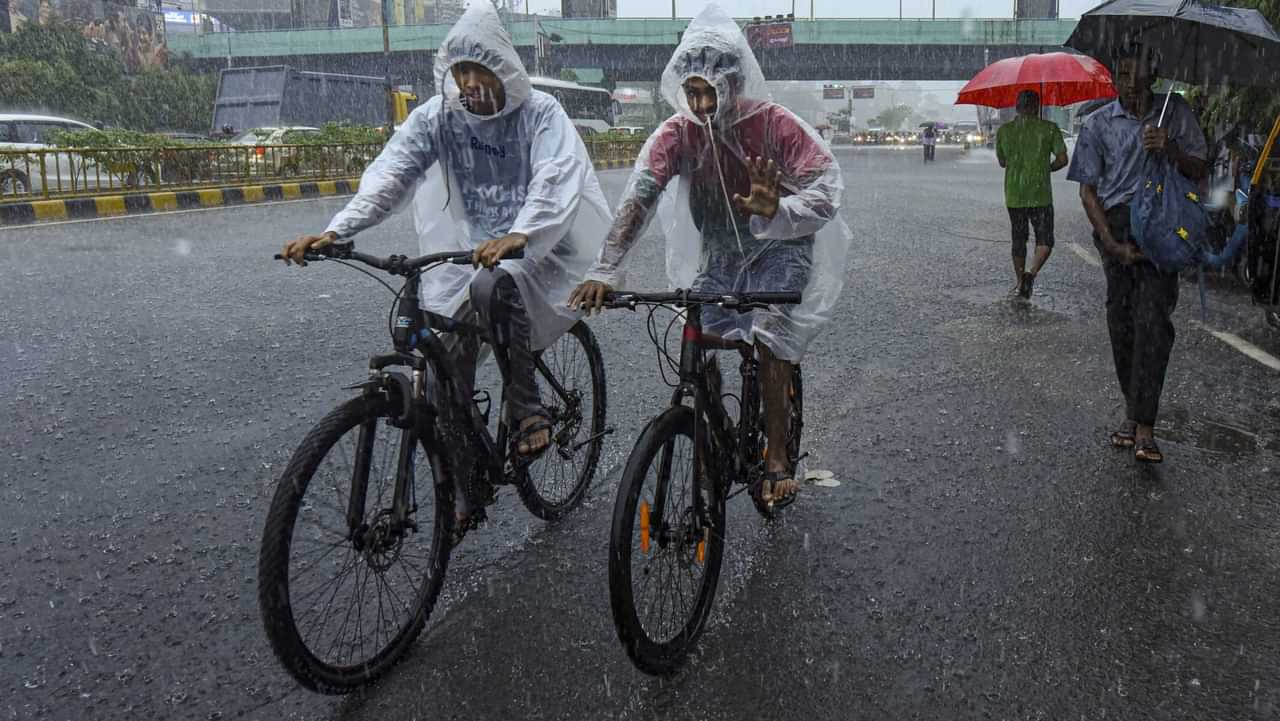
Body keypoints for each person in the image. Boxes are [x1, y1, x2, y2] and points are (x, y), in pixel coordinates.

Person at [280, 0, 611, 527]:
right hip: (480, 250)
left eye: (481, 70)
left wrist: (521, 233)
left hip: (547, 245)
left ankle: (526, 410)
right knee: (438, 369)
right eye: (462, 73)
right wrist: (336, 231)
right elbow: (392, 172)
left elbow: (555, 178)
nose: (471, 83)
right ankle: (463, 489)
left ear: (504, 70)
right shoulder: (440, 117)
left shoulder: (541, 114)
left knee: (491, 288)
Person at [568, 3, 851, 507]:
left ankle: (777, 456)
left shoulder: (775, 125)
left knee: (769, 335)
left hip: (778, 249)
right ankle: (705, 425)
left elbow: (826, 188)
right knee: (696, 334)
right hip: (721, 254)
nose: (700, 104)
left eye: (708, 91)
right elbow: (640, 196)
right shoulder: (677, 134)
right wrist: (605, 271)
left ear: (732, 84)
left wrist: (779, 208)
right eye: (692, 92)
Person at [1067, 45, 1208, 464]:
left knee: (1153, 324)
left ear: (1155, 73)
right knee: (1122, 325)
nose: (1127, 81)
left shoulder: (1175, 113)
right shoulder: (1098, 123)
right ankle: (1134, 411)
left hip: (1163, 228)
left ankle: (1143, 424)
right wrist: (1110, 244)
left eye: (1135, 72)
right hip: (1116, 228)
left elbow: (1200, 168)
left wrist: (1171, 150)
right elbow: (1087, 190)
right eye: (1121, 73)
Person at [996, 90, 1069, 299]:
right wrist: (1048, 168)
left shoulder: (1005, 131)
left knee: (1019, 240)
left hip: (1015, 195)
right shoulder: (1049, 129)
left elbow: (1002, 162)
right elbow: (1063, 159)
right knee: (1045, 239)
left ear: (1017, 107)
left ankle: (1020, 282)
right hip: (1041, 195)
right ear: (1037, 107)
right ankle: (1032, 273)